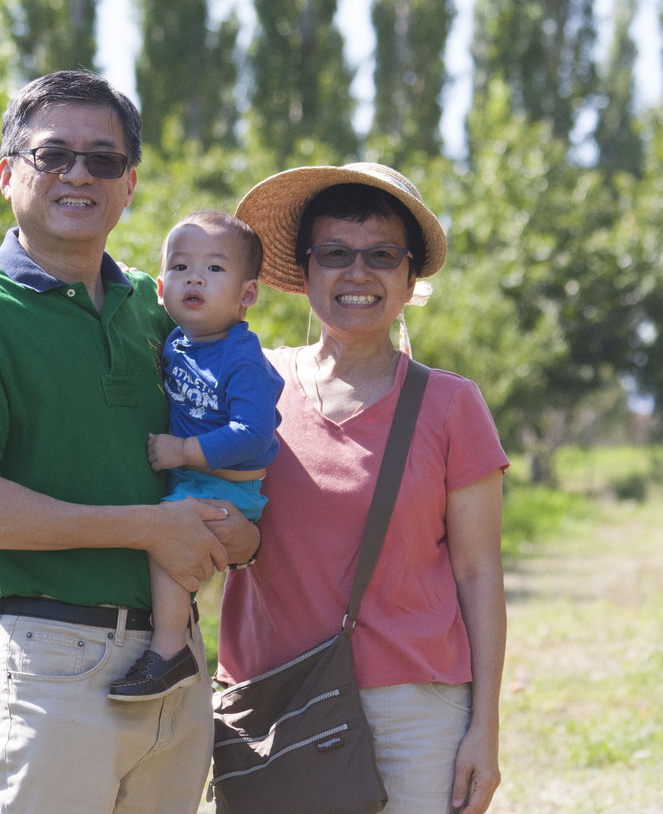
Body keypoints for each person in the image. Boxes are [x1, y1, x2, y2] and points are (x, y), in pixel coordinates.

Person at [0, 70, 260, 813]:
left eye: (103, 159)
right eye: (51, 154)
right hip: (55, 655)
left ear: (128, 185)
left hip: (179, 658)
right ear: (7, 174)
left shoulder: (156, 312)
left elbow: (236, 435)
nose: (78, 173)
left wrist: (240, 531)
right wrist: (149, 527)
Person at [215, 162, 508, 814]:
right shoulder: (250, 384)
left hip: (416, 710)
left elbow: (479, 572)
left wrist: (483, 730)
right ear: (305, 270)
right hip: (272, 704)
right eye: (336, 254)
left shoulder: (452, 405)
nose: (358, 273)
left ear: (409, 276)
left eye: (380, 255)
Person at [107, 210, 283, 702]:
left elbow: (252, 434)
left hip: (226, 487)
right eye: (182, 268)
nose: (196, 278)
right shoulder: (177, 341)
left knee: (169, 532)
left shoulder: (242, 357)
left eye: (215, 269)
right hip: (198, 479)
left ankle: (170, 651)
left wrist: (182, 449)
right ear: (163, 288)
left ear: (247, 294)